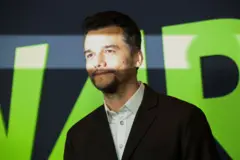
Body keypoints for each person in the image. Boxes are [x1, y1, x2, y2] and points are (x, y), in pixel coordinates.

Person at [64, 11, 220, 160]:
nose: (98, 62)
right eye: (90, 55)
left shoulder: (184, 119)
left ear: (137, 58)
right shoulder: (77, 136)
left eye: (109, 51)